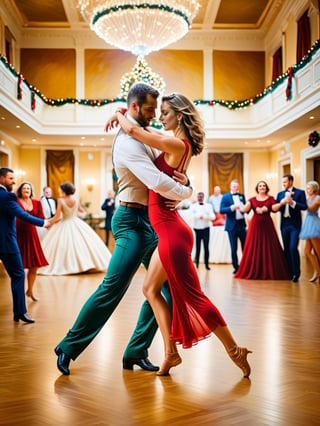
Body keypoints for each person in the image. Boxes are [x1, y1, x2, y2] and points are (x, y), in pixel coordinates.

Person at [54, 83, 193, 376]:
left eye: (157, 110)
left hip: (151, 222)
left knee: (166, 292)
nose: (155, 115)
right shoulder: (128, 144)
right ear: (134, 107)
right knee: (112, 289)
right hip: (130, 222)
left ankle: (135, 351)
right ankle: (67, 346)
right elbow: (157, 181)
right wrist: (187, 191)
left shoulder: (139, 130)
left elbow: (165, 150)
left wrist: (119, 114)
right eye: (150, 109)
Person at [115, 92, 252, 378]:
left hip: (170, 232)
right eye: (158, 111)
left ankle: (233, 349)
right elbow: (144, 131)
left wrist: (119, 115)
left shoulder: (174, 143)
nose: (159, 116)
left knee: (194, 298)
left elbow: (134, 130)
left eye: (164, 112)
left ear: (178, 115)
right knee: (150, 290)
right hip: (170, 229)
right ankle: (170, 354)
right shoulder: (178, 143)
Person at [0, 167, 49, 323]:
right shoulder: (7, 196)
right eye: (10, 178)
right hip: (6, 242)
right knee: (19, 274)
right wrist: (44, 222)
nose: (14, 182)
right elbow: (22, 215)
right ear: (1, 179)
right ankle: (20, 313)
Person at [38, 182, 111, 275]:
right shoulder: (76, 199)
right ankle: (84, 265)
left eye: (61, 190)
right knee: (82, 244)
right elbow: (83, 212)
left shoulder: (61, 200)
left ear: (64, 190)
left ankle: (69, 266)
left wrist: (48, 223)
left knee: (61, 245)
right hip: (76, 222)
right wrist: (78, 215)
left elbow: (56, 216)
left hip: (64, 223)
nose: (60, 191)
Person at [234, 181, 289, 280]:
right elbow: (245, 210)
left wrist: (280, 203)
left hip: (267, 225)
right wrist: (238, 206)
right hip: (255, 226)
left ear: (266, 188)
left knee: (269, 246)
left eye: (263, 186)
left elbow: (274, 209)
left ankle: (271, 271)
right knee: (253, 246)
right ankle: (254, 271)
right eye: (260, 186)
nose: (262, 187)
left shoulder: (271, 198)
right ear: (257, 188)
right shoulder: (252, 199)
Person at [16, 181, 49, 301]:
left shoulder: (37, 202)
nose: (26, 190)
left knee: (34, 265)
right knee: (19, 265)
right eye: (24, 188)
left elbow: (41, 218)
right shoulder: (16, 201)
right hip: (18, 234)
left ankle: (30, 290)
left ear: (31, 191)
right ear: (20, 190)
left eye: (28, 189)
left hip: (32, 234)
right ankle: (19, 293)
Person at [273, 174, 307, 282]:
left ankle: (296, 273)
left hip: (295, 225)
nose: (283, 184)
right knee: (286, 248)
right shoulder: (280, 194)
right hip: (284, 224)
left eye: (285, 182)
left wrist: (292, 202)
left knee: (293, 247)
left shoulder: (300, 193)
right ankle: (289, 272)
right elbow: (275, 208)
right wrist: (282, 202)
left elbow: (304, 206)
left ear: (291, 182)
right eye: (282, 182)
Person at [220, 179, 247, 273]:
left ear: (238, 186)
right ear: (230, 187)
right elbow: (221, 210)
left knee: (245, 246)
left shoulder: (242, 196)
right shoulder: (225, 196)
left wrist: (244, 208)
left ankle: (245, 266)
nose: (235, 187)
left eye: (236, 186)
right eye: (233, 186)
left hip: (241, 224)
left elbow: (246, 208)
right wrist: (232, 208)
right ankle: (236, 267)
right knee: (234, 248)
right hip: (232, 226)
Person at [299, 180, 320, 283]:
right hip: (308, 223)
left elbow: (311, 209)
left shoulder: (318, 198)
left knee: (318, 251)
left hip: (314, 223)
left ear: (314, 189)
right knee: (307, 251)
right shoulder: (308, 198)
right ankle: (317, 272)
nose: (308, 190)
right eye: (307, 188)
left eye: (309, 188)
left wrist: (302, 203)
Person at [191, 191, 215, 270]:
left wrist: (204, 216)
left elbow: (213, 217)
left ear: (203, 197)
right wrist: (198, 216)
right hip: (197, 229)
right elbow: (191, 215)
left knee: (206, 247)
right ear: (197, 197)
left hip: (206, 229)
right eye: (199, 196)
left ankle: (207, 264)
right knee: (197, 247)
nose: (200, 197)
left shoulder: (208, 206)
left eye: (201, 196)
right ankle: (197, 263)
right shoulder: (193, 206)